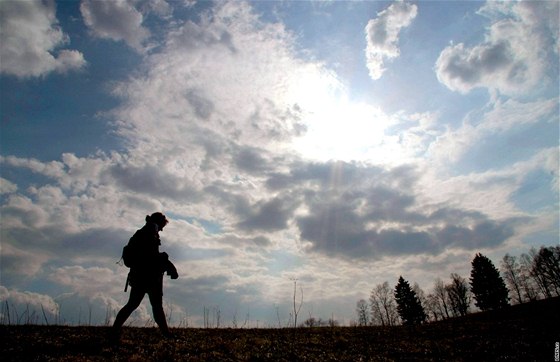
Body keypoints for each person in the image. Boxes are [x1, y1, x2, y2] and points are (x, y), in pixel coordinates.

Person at [112, 212, 179, 341]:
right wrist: (167, 262)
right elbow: (150, 256)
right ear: (159, 223)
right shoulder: (150, 233)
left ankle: (115, 330)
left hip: (140, 276)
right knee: (154, 306)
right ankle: (166, 334)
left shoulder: (143, 232)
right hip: (149, 277)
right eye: (162, 226)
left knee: (133, 304)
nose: (162, 229)